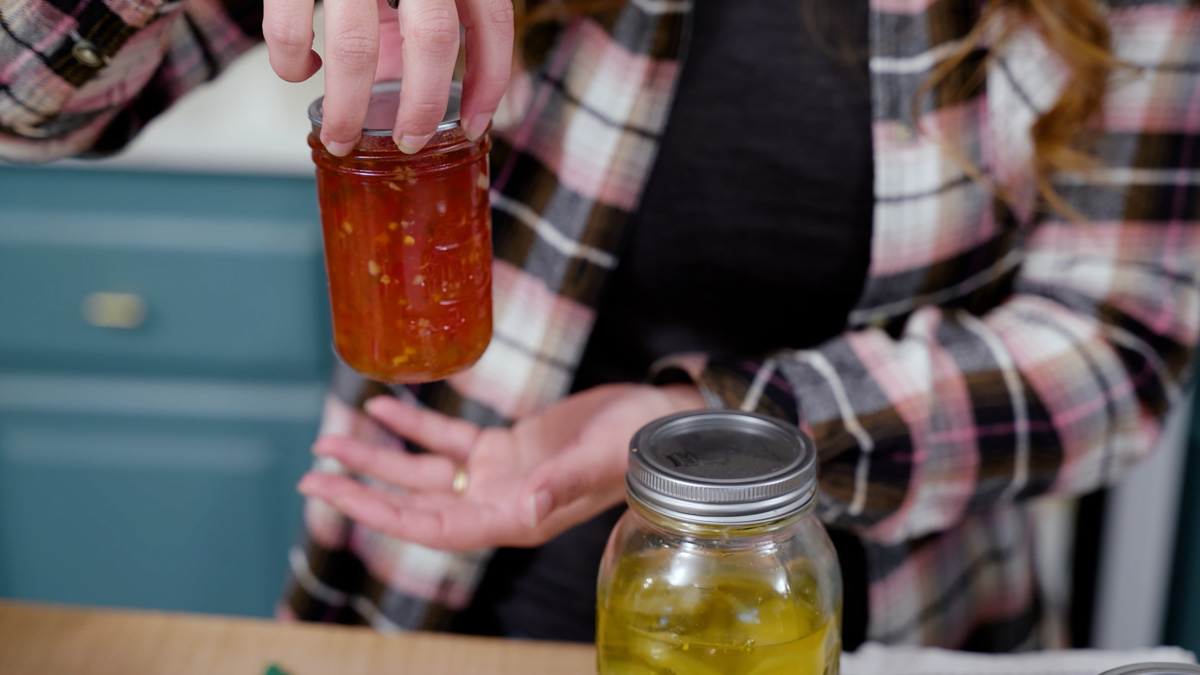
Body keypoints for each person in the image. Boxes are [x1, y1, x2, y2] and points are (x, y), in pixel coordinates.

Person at [4, 0, 1198, 652]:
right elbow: (26, 104)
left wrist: (708, 430)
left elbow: (1121, 339)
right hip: (431, 615)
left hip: (886, 621)